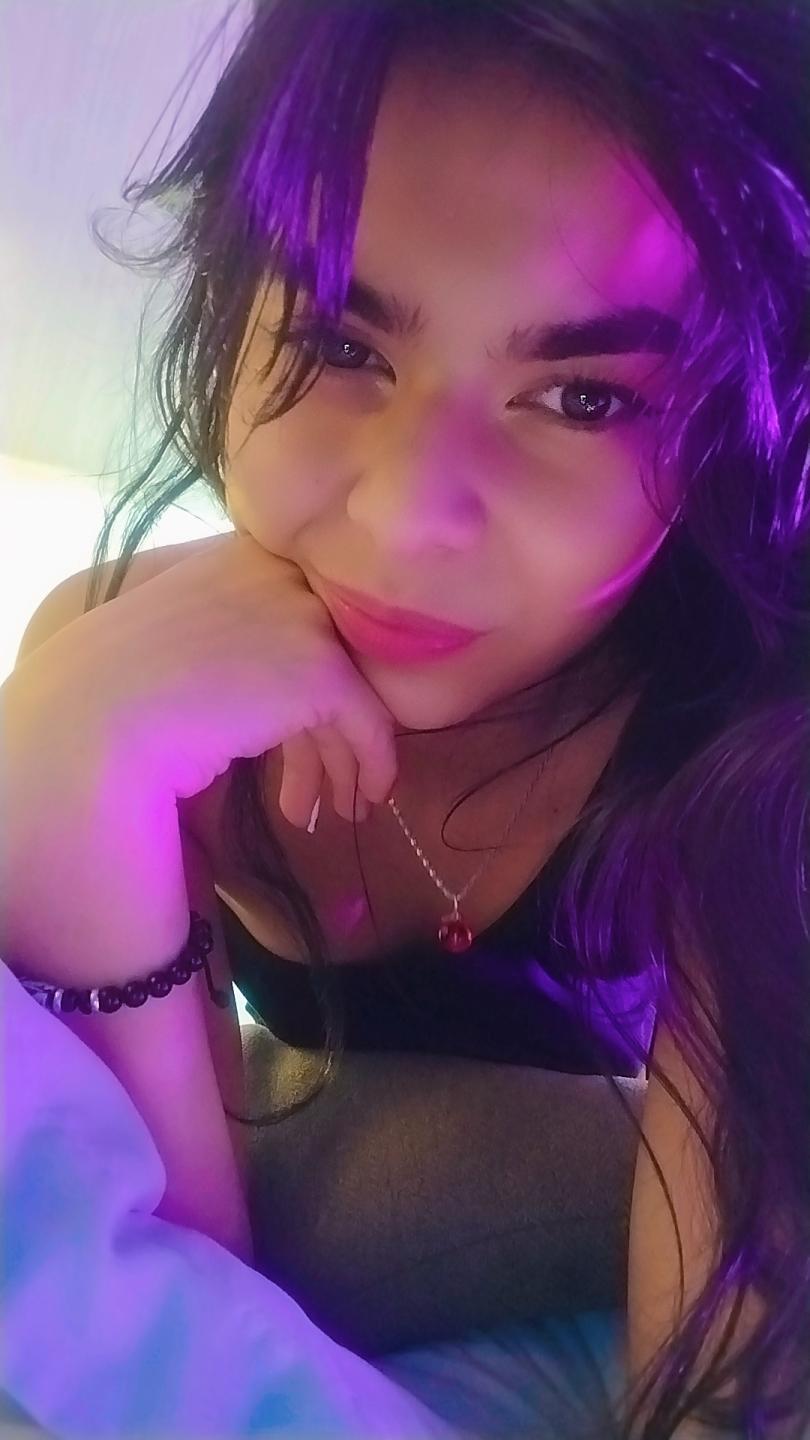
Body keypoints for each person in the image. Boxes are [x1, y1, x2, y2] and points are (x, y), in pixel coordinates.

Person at [3, 0, 808, 1435]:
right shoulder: (111, 658)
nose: (406, 518)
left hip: (608, 1140)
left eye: (582, 397)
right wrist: (78, 777)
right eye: (340, 340)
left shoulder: (743, 741)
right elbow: (174, 1285)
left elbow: (722, 1383)